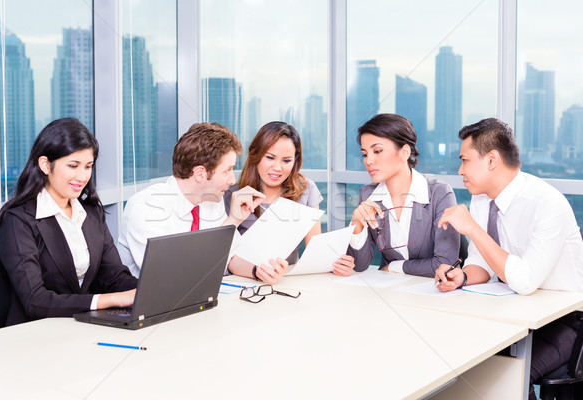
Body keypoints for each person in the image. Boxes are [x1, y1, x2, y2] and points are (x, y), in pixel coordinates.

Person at [434, 118, 583, 399]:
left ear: (492, 160)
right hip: (516, 312)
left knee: (500, 375)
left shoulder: (547, 203)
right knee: (460, 360)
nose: (460, 170)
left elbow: (525, 280)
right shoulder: (482, 200)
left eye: (465, 160)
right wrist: (462, 276)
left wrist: (473, 229)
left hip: (566, 321)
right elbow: (484, 263)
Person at [0, 118, 138, 326]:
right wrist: (109, 300)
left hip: (81, 326)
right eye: (73, 165)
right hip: (34, 333)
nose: (82, 176)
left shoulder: (90, 212)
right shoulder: (18, 221)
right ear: (45, 165)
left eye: (88, 166)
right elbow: (35, 300)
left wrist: (147, 292)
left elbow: (113, 275)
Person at [118, 122, 288, 284]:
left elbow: (229, 256)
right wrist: (231, 222)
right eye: (227, 170)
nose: (232, 179)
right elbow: (176, 275)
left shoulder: (212, 200)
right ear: (200, 173)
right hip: (154, 306)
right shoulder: (146, 208)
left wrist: (258, 271)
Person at [224, 121, 355, 276]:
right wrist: (257, 273)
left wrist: (336, 264)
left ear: (295, 161)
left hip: (286, 279)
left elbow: (315, 250)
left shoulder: (306, 189)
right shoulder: (233, 195)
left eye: (286, 160)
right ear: (256, 156)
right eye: (270, 157)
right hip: (243, 280)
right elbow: (223, 256)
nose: (278, 168)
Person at [348, 114, 460, 276]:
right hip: (389, 290)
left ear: (404, 152)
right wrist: (357, 224)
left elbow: (445, 264)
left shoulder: (439, 193)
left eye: (377, 151)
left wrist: (395, 267)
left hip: (433, 291)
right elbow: (359, 265)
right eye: (365, 154)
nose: (368, 161)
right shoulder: (368, 194)